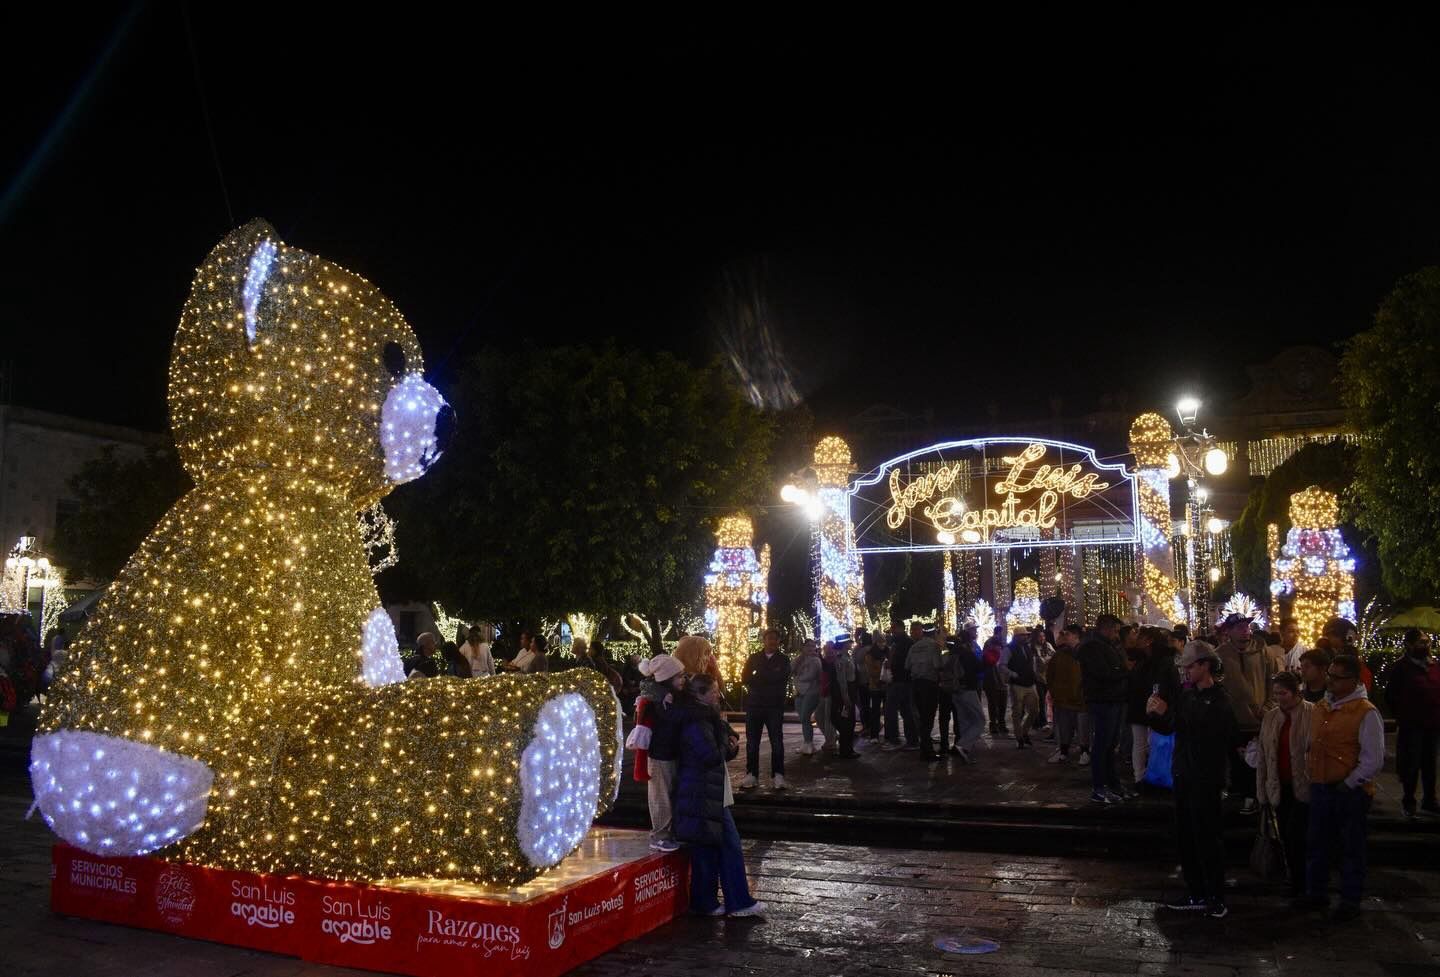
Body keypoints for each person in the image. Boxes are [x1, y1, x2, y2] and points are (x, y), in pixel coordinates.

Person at [1150, 641, 1240, 919]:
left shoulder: (1220, 700)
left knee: (1207, 837)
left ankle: (1214, 895)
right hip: (1184, 773)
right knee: (1187, 836)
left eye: (1189, 666)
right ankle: (1196, 891)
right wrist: (1155, 714)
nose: (1185, 671)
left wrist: (1168, 715)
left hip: (1205, 776)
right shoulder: (1187, 695)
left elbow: (1207, 735)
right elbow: (1174, 727)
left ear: (1205, 665)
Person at [1300, 653, 1384, 922]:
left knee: (1351, 847)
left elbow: (1373, 757)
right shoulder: (1323, 706)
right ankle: (1316, 892)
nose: (1331, 682)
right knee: (1317, 843)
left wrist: (1350, 783)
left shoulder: (1365, 712)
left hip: (1348, 790)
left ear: (1353, 680)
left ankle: (1350, 899)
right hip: (1321, 784)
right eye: (1330, 676)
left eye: (1337, 678)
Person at [673, 673, 764, 918]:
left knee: (709, 846)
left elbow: (718, 751)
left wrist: (728, 745)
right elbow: (711, 755)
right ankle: (737, 900)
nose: (718, 695)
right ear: (700, 694)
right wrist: (726, 743)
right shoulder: (696, 721)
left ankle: (707, 902)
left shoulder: (705, 717)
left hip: (709, 790)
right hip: (703, 792)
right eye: (713, 691)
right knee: (728, 844)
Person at [1256, 671, 1313, 896]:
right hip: (1279, 785)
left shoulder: (1311, 713)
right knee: (1286, 836)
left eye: (1284, 693)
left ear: (1295, 692)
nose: (1280, 698)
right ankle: (1295, 877)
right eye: (1276, 693)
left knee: (1298, 834)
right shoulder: (1271, 717)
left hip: (1303, 784)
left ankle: (1303, 880)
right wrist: (1262, 790)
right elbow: (1263, 754)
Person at [628, 653, 687, 852]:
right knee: (660, 795)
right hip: (660, 754)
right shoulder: (658, 699)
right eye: (679, 677)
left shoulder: (667, 696)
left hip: (670, 751)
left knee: (668, 793)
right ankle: (660, 835)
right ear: (667, 678)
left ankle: (667, 832)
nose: (683, 680)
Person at [1215, 613, 1271, 814]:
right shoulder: (1220, 654)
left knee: (1255, 760)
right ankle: (1238, 792)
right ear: (1228, 632)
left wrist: (1267, 707)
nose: (1244, 631)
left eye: (1246, 627)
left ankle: (1253, 796)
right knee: (1235, 758)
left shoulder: (1262, 651)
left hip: (1259, 718)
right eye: (1239, 628)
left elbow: (1271, 681)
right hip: (1233, 719)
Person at [1384, 629, 1440, 819]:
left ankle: (1430, 800)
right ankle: (1409, 801)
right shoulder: (1401, 668)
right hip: (1411, 724)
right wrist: (1403, 714)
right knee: (1412, 763)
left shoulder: (1434, 667)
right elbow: (1391, 695)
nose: (1425, 646)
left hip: (1432, 724)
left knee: (1430, 763)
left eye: (1427, 642)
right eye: (1421, 642)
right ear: (1409, 645)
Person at [1077, 613, 1131, 804]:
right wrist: (1124, 671)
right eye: (1115, 631)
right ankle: (1099, 788)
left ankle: (1112, 784)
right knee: (1102, 745)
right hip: (1102, 700)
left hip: (1113, 699)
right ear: (1105, 629)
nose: (1117, 635)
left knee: (1109, 745)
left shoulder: (1107, 645)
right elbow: (1104, 673)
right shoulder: (1093, 646)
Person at [740, 628, 789, 789]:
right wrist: (765, 677)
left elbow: (781, 678)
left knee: (777, 741)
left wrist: (759, 676)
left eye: (775, 639)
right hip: (755, 705)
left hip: (774, 706)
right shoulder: (754, 658)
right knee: (752, 742)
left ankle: (778, 775)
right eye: (769, 639)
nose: (772, 642)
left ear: (778, 641)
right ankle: (751, 774)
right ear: (764, 640)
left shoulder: (783, 659)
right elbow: (745, 677)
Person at [1047, 623, 1089, 764]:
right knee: (1063, 727)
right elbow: (1050, 674)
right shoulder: (1059, 655)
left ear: (1076, 636)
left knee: (1082, 728)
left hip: (1080, 699)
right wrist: (1054, 691)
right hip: (1062, 699)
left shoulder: (1085, 653)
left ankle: (1085, 751)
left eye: (1068, 634)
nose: (1065, 637)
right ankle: (1063, 751)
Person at [944, 622, 985, 762]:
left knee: (964, 720)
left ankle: (964, 749)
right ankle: (963, 745)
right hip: (968, 689)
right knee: (980, 720)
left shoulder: (952, 652)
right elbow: (977, 667)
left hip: (955, 690)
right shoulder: (967, 653)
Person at [907, 622, 943, 761]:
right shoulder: (934, 646)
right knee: (928, 718)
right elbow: (938, 665)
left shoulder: (914, 647)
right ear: (934, 633)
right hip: (929, 684)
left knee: (921, 718)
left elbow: (907, 665)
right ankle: (927, 751)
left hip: (916, 684)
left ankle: (924, 749)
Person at [1002, 627, 1041, 748]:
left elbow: (1031, 663)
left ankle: (1024, 732)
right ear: (1017, 637)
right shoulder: (1009, 649)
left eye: (1026, 635)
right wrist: (1013, 674)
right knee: (1017, 712)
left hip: (1029, 683)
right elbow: (1002, 665)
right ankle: (1019, 737)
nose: (1025, 637)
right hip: (1017, 684)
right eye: (1023, 635)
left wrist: (1034, 674)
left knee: (1035, 710)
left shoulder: (1027, 647)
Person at [883, 619, 918, 748]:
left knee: (892, 710)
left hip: (899, 680)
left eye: (893, 628)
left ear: (899, 628)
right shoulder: (901, 642)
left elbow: (901, 662)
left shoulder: (902, 642)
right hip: (903, 680)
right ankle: (912, 739)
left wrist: (891, 664)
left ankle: (893, 738)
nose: (892, 630)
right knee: (906, 710)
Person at [828, 634, 859, 758]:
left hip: (849, 690)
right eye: (848, 642)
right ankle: (845, 750)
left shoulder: (847, 657)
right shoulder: (841, 659)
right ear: (844, 644)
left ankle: (847, 748)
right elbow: (842, 681)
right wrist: (845, 697)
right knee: (845, 721)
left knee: (849, 721)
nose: (851, 644)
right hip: (844, 692)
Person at [792, 639, 823, 755]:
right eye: (808, 646)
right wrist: (799, 660)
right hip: (799, 692)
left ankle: (809, 743)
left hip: (811, 691)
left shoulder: (815, 660)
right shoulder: (799, 659)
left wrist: (797, 675)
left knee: (805, 717)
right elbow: (790, 670)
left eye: (813, 646)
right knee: (803, 719)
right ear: (803, 647)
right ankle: (807, 743)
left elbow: (810, 676)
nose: (810, 648)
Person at [981, 624, 1009, 736]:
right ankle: (995, 724)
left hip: (1001, 680)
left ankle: (1000, 724)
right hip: (992, 680)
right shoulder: (990, 646)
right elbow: (988, 661)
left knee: (1002, 704)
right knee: (994, 704)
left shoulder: (1003, 646)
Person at [862, 634, 887, 739]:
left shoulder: (888, 652)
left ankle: (889, 734)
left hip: (886, 685)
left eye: (883, 641)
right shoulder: (870, 654)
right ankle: (874, 735)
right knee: (875, 711)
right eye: (880, 641)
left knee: (888, 711)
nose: (882, 644)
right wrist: (882, 673)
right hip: (875, 686)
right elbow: (870, 671)